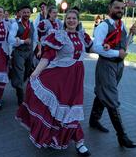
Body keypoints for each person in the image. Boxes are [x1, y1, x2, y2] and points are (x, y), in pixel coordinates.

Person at [16, 10, 93, 156]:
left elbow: (97, 48)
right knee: (58, 108)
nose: (71, 20)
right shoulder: (59, 35)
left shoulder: (82, 36)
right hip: (59, 79)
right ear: (65, 21)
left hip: (76, 79)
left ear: (78, 20)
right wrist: (35, 72)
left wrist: (128, 38)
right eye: (68, 18)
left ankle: (79, 142)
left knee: (72, 108)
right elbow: (47, 57)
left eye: (74, 18)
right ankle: (62, 138)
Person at [89, 0, 136, 148]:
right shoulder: (104, 26)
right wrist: (117, 53)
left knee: (104, 93)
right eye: (117, 8)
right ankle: (122, 136)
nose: (120, 11)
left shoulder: (121, 25)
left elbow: (125, 45)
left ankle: (93, 120)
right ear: (110, 9)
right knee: (111, 98)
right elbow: (96, 47)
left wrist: (132, 34)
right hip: (106, 65)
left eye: (122, 8)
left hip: (118, 66)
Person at [8, 5, 37, 105]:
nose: (26, 14)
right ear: (20, 13)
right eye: (24, 12)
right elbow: (10, 39)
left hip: (29, 53)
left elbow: (35, 39)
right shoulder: (15, 25)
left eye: (28, 12)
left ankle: (15, 78)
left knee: (26, 73)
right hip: (19, 52)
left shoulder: (32, 24)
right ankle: (20, 98)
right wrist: (23, 41)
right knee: (20, 74)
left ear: (30, 13)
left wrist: (33, 50)